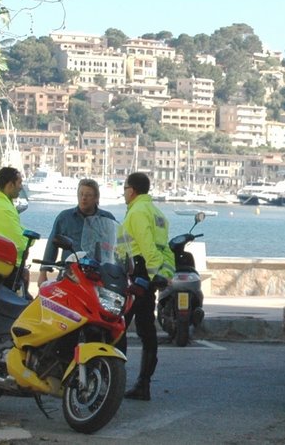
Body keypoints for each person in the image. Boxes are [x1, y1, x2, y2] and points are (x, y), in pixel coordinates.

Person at [116, 172, 175, 401]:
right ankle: (143, 384)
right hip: (148, 277)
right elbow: (166, 250)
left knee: (118, 325)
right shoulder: (158, 214)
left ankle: (113, 378)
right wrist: (164, 274)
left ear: (132, 190)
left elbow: (147, 247)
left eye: (124, 189)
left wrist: (151, 273)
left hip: (136, 274)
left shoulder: (138, 212)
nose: (123, 193)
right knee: (146, 329)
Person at [38, 179, 117, 286]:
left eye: (88, 195)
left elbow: (115, 247)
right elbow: (51, 246)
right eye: (81, 194)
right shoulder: (64, 217)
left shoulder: (107, 219)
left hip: (98, 275)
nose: (83, 198)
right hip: (70, 274)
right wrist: (43, 273)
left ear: (96, 197)